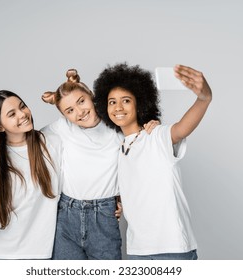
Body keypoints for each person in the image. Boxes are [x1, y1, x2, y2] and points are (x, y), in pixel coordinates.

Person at [93, 63, 212, 260]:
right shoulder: (119, 149)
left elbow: (182, 128)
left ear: (139, 103)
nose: (118, 107)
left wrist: (204, 99)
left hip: (172, 248)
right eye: (112, 102)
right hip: (137, 250)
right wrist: (119, 202)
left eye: (126, 100)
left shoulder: (155, 135)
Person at [41, 69, 158, 260]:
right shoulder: (62, 128)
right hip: (66, 214)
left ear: (92, 97)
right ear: (64, 115)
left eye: (82, 101)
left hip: (104, 214)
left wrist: (152, 123)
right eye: (69, 111)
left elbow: (138, 152)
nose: (80, 112)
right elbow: (27, 140)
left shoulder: (116, 126)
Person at [0, 90, 61, 259]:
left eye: (23, 106)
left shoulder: (51, 143)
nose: (23, 114)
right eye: (12, 114)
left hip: (39, 256)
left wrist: (111, 199)